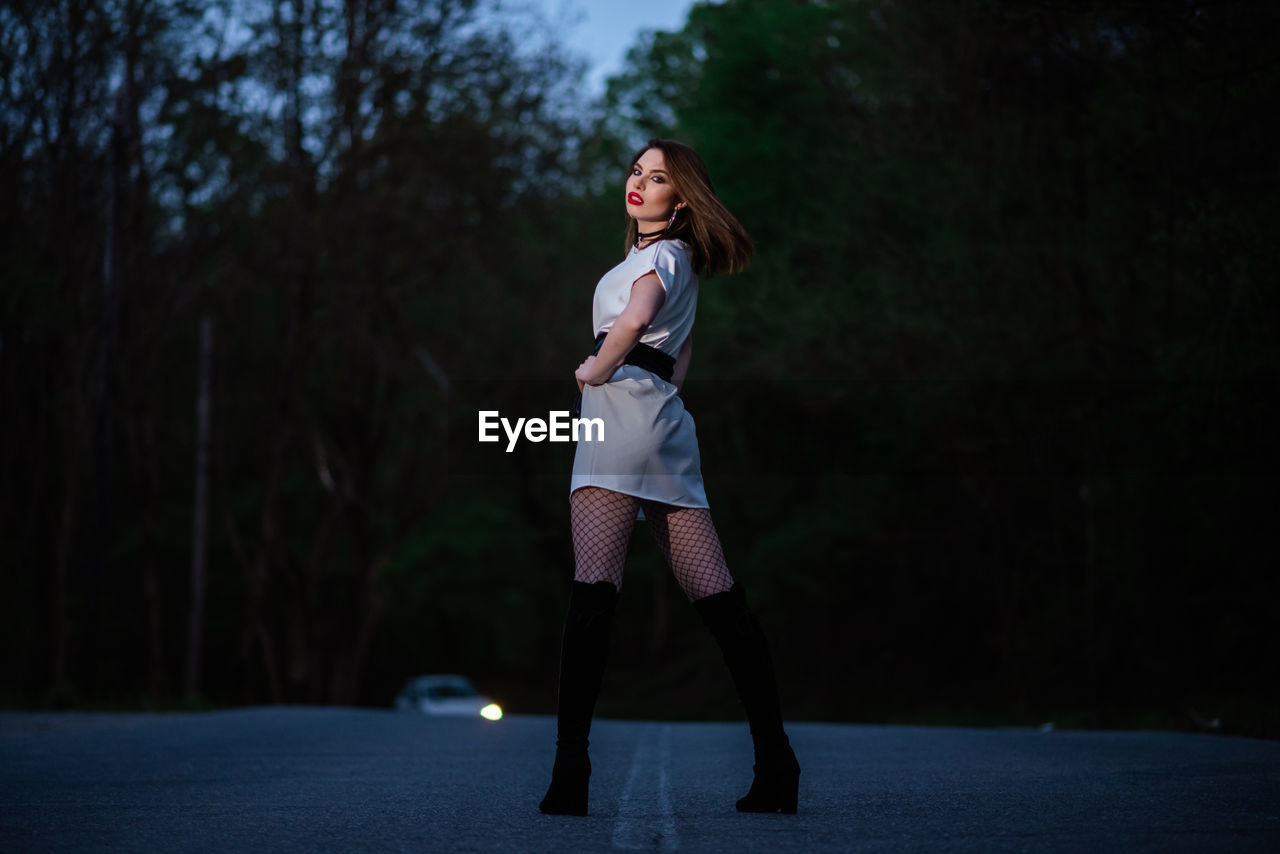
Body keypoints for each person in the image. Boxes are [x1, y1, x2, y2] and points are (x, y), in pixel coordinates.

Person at [538, 138, 801, 816]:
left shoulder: (655, 258)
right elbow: (680, 362)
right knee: (719, 600)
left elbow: (637, 318)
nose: (638, 183)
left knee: (594, 590)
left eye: (656, 178)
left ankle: (571, 769)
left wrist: (592, 372)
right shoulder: (678, 258)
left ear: (679, 199)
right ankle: (777, 762)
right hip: (665, 428)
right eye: (636, 171)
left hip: (617, 421)